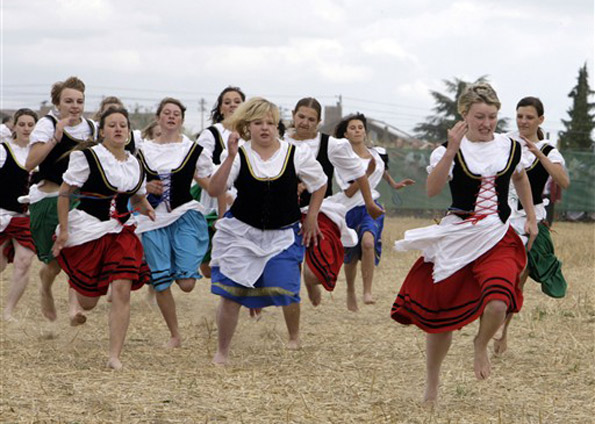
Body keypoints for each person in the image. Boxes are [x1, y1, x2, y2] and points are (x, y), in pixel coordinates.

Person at [390, 83, 538, 404]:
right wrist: (452, 150)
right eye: (479, 116)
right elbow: (432, 189)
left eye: (492, 117)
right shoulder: (446, 149)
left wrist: (531, 217)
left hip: (497, 233)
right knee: (440, 316)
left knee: (498, 301)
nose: (486, 123)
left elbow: (521, 178)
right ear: (464, 116)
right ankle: (432, 384)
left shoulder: (510, 146)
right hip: (459, 234)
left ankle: (480, 345)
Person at [207, 97, 327, 365]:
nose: (265, 128)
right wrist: (229, 156)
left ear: (278, 126)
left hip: (281, 235)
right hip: (242, 234)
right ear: (247, 126)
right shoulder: (240, 154)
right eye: (258, 123)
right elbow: (215, 190)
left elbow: (320, 183)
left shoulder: (294, 153)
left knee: (287, 287)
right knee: (231, 294)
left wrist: (312, 217)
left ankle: (294, 337)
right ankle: (222, 352)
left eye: (270, 123)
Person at [52, 107, 154, 370]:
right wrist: (63, 229)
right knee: (89, 300)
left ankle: (114, 356)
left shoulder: (134, 163)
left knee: (122, 288)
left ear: (129, 131)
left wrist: (146, 206)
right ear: (103, 131)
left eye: (123, 125)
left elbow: (136, 196)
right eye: (112, 125)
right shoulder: (88, 157)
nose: (118, 129)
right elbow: (65, 193)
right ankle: (77, 296)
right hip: (89, 228)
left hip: (121, 231)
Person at [284, 98, 384, 307]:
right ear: (293, 114)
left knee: (315, 275)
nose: (305, 122)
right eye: (301, 116)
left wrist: (369, 203)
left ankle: (311, 283)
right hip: (283, 212)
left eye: (311, 119)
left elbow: (359, 172)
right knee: (286, 270)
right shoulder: (280, 141)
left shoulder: (330, 145)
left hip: (319, 211)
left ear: (319, 121)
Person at [493, 96, 570, 354]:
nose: (524, 121)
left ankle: (502, 328)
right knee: (499, 271)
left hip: (531, 218)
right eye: (520, 116)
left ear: (540, 120)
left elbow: (563, 180)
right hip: (500, 215)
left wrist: (538, 153)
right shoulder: (505, 141)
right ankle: (491, 318)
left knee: (520, 274)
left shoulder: (549, 149)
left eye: (529, 117)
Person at [136, 97, 212, 348]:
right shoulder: (143, 150)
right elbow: (129, 184)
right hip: (151, 218)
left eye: (176, 114)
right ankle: (175, 335)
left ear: (181, 120)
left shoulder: (192, 149)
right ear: (158, 118)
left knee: (188, 284)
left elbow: (210, 182)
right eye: (166, 113)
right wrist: (145, 186)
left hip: (183, 214)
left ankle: (184, 266)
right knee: (160, 280)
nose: (171, 117)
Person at [25, 76, 96, 325]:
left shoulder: (91, 128)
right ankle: (45, 289)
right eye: (69, 101)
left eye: (79, 101)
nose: (75, 106)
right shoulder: (47, 124)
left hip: (77, 200)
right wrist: (56, 136)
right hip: (48, 199)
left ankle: (74, 308)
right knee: (53, 264)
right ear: (58, 103)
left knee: (76, 252)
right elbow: (30, 162)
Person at [333, 113, 414, 310]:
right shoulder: (342, 160)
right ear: (346, 134)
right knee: (351, 256)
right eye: (352, 128)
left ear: (365, 131)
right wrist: (366, 174)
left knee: (368, 243)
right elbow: (350, 191)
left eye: (360, 127)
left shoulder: (377, 153)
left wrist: (394, 184)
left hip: (372, 207)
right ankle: (351, 290)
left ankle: (367, 290)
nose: (357, 130)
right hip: (350, 209)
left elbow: (382, 170)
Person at [195, 86, 246, 277]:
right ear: (220, 108)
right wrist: (217, 192)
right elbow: (196, 169)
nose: (232, 105)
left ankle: (244, 298)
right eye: (227, 102)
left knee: (242, 251)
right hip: (214, 198)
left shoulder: (253, 132)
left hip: (245, 198)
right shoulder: (211, 134)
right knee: (208, 268)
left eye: (237, 101)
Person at [0, 109, 38, 320]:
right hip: (3, 213)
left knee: (24, 262)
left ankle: (8, 311)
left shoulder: (40, 152)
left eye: (30, 124)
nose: (26, 128)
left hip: (26, 217)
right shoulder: (4, 150)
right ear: (13, 126)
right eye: (21, 124)